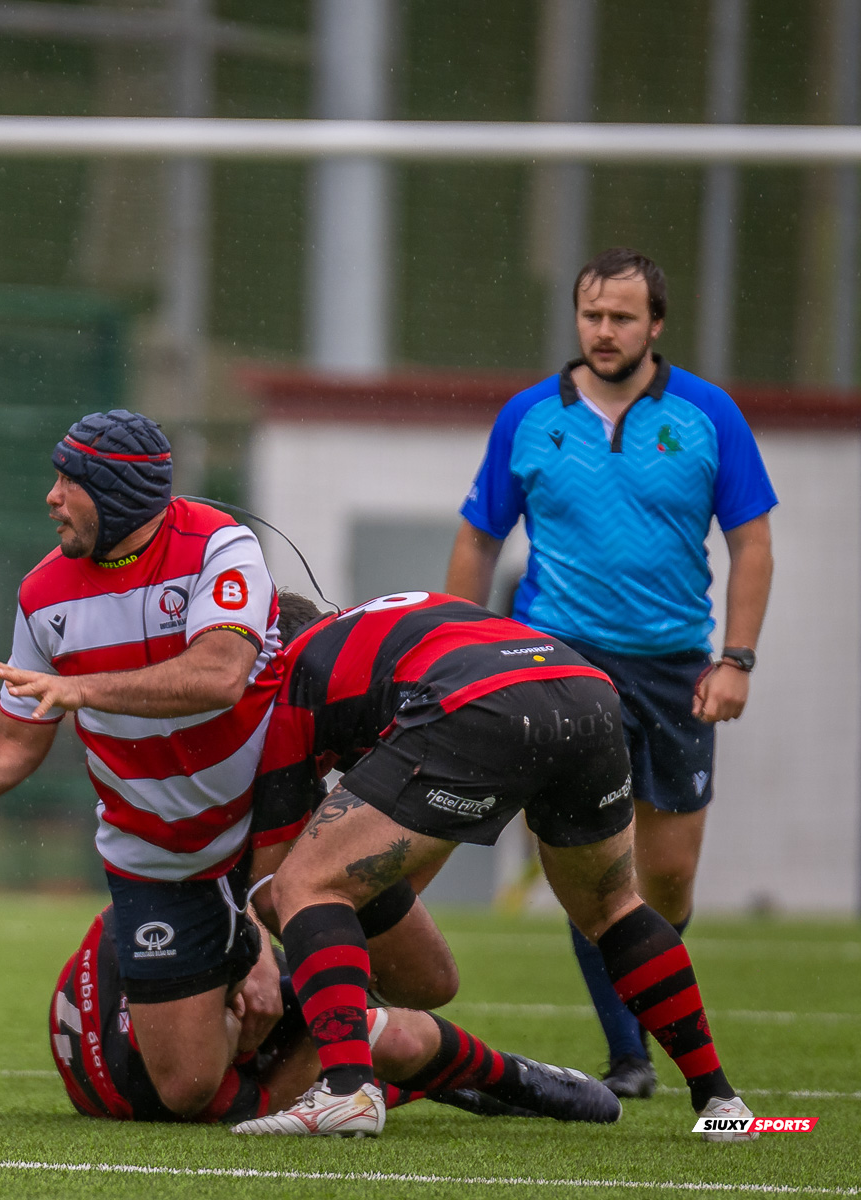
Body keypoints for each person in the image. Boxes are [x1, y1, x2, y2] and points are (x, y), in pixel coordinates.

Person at [0, 409, 285, 1120]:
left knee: (425, 978)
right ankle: (347, 1035)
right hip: (155, 856)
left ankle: (387, 1042)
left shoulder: (220, 545)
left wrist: (84, 689)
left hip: (271, 826)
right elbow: (13, 740)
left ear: (119, 492)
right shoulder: (42, 593)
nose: (51, 497)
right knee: (185, 1089)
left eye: (70, 482)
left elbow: (219, 675)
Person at [238, 590, 756, 1140]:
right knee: (613, 908)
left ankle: (346, 1091)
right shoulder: (379, 624)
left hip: (478, 701)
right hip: (585, 688)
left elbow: (271, 879)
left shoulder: (291, 676)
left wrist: (311, 955)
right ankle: (720, 1100)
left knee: (305, 884)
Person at [445, 248, 777, 1100]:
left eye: (622, 317)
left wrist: (736, 660)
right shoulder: (528, 416)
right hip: (560, 661)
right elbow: (479, 537)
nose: (603, 331)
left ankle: (647, 1004)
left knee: (667, 877)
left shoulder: (708, 414)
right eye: (591, 314)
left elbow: (752, 544)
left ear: (656, 324)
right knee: (592, 862)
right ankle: (628, 1054)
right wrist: (454, 647)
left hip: (675, 669)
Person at [50, 905, 621, 1128]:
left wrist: (256, 951)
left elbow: (212, 887)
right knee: (392, 1038)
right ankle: (507, 1080)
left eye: (239, 992)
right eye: (234, 1009)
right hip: (202, 1069)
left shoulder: (141, 930)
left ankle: (479, 1076)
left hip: (208, 991)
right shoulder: (184, 1082)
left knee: (365, 986)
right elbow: (275, 1098)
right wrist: (333, 1025)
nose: (251, 1006)